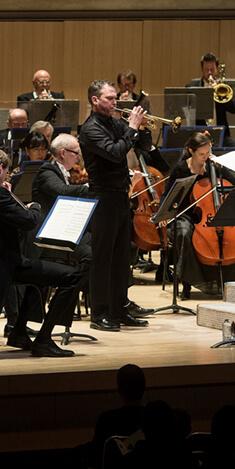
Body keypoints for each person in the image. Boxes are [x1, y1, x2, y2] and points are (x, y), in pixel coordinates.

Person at [0, 149, 81, 357]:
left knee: (41, 276)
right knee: (73, 275)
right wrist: (34, 206)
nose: (6, 176)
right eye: (5, 172)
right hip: (3, 266)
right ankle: (43, 339)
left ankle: (19, 332)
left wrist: (7, 195)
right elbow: (28, 221)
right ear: (0, 168)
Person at [79, 80, 147, 331]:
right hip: (102, 197)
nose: (115, 102)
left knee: (121, 257)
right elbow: (116, 152)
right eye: (109, 98)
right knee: (103, 258)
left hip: (120, 196)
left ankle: (119, 309)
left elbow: (141, 145)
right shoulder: (90, 129)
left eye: (115, 97)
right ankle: (99, 313)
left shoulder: (115, 122)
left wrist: (143, 128)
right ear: (95, 100)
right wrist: (132, 128)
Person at [162, 132, 235, 298]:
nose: (205, 157)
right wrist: (164, 214)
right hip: (185, 214)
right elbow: (167, 194)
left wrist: (222, 168)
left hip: (211, 214)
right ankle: (187, 284)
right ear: (191, 151)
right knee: (185, 234)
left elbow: (233, 185)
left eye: (207, 153)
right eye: (201, 154)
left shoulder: (213, 166)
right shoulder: (181, 169)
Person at [30, 133, 94, 323]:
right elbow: (63, 191)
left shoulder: (61, 172)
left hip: (62, 231)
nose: (79, 158)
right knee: (90, 256)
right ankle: (61, 305)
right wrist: (91, 187)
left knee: (103, 247)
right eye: (76, 153)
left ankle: (75, 298)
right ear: (63, 153)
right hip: (47, 236)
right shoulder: (46, 172)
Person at [187, 52, 235, 146]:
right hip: (200, 134)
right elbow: (187, 112)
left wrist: (220, 93)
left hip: (221, 134)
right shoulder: (192, 88)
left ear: (217, 68)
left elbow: (234, 109)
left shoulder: (224, 87)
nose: (210, 73)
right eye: (207, 70)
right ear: (202, 69)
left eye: (212, 69)